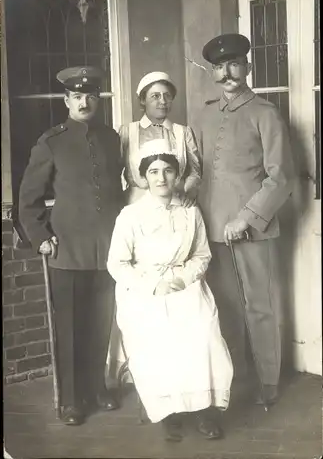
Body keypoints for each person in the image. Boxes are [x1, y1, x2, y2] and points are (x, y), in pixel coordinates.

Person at [107, 138, 233, 441]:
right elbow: (117, 264)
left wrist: (183, 278)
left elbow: (202, 254)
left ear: (177, 176)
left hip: (185, 284)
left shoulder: (190, 212)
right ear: (144, 177)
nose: (161, 178)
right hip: (144, 291)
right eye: (153, 171)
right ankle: (168, 412)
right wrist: (153, 285)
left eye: (167, 171)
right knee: (158, 338)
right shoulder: (131, 216)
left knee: (203, 333)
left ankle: (203, 408)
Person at [19, 66, 124, 425]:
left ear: (98, 99)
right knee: (70, 328)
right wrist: (40, 237)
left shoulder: (111, 138)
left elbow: (117, 192)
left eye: (91, 96)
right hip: (67, 248)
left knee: (101, 323)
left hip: (108, 248)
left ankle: (97, 387)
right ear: (67, 100)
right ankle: (71, 399)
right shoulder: (52, 141)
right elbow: (28, 201)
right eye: (77, 96)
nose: (84, 102)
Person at [197, 33, 295, 406]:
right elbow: (199, 171)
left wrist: (247, 218)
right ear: (213, 73)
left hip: (253, 229)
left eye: (234, 64)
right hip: (213, 229)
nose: (227, 73)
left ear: (247, 67)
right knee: (225, 304)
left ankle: (268, 381)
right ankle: (235, 376)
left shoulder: (265, 113)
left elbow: (281, 176)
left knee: (260, 305)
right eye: (219, 67)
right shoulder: (204, 115)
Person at [119, 71, 201, 206]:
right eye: (155, 96)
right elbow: (114, 172)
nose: (163, 101)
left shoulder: (183, 132)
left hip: (175, 203)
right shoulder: (128, 131)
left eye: (167, 96)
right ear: (143, 100)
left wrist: (190, 191)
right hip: (137, 205)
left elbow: (194, 171)